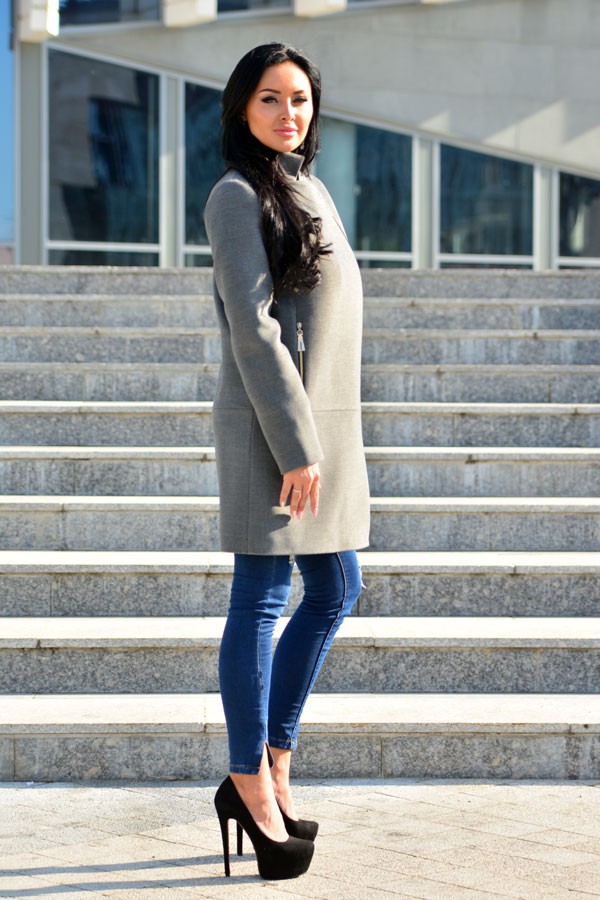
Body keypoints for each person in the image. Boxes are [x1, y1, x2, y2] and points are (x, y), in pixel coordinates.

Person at [204, 42, 370, 881]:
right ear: (243, 108)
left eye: (299, 98)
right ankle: (247, 779)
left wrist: (323, 442)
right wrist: (297, 447)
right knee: (264, 595)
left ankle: (274, 763)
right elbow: (254, 329)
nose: (288, 112)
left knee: (336, 588)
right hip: (274, 432)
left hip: (324, 429)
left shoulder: (309, 187)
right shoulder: (236, 196)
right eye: (270, 98)